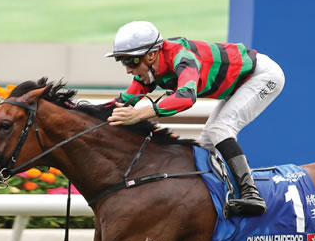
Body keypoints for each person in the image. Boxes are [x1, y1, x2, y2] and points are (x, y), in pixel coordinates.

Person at [103, 20, 285, 217]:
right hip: (238, 84)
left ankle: (252, 194)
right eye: (123, 62)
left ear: (151, 55)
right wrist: (83, 111)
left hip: (262, 76)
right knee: (205, 144)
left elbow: (186, 98)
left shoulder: (182, 58)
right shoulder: (150, 70)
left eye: (130, 61)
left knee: (220, 129)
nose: (128, 69)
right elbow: (121, 102)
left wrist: (139, 114)